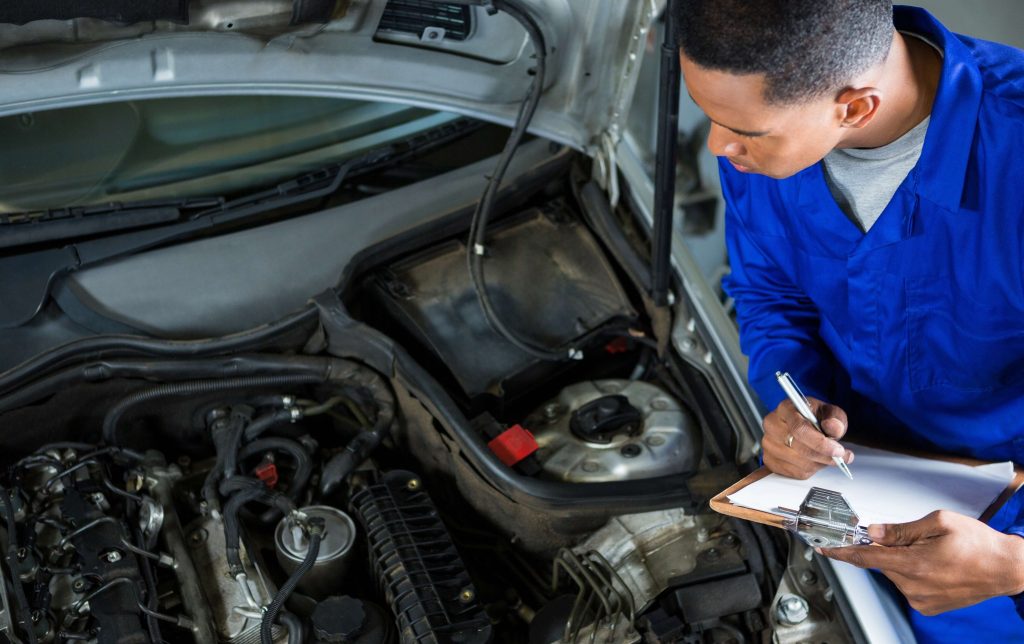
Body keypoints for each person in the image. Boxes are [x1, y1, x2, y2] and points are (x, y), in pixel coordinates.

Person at [671, 0, 1024, 641]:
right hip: (851, 492)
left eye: (742, 129)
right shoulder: (762, 138)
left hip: (999, 539)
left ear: (854, 107)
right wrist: (795, 399)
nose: (718, 145)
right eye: (710, 116)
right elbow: (769, 291)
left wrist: (1016, 561)